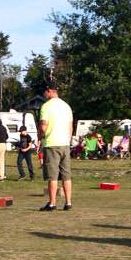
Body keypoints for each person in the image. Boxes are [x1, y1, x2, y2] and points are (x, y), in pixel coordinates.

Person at [38, 82, 74, 211]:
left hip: (51, 144)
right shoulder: (66, 106)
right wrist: (67, 140)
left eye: (44, 91)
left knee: (52, 176)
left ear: (49, 91)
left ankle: (52, 203)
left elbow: (43, 126)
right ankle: (68, 202)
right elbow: (71, 126)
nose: (44, 94)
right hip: (65, 144)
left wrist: (40, 137)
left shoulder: (46, 106)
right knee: (66, 175)